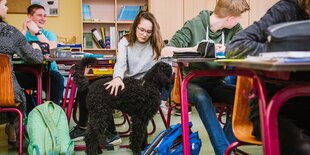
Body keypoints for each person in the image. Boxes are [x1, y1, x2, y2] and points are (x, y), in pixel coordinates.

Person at [161, 0, 250, 154]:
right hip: (191, 83)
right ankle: (223, 150)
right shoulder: (194, 25)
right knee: (202, 97)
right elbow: (165, 51)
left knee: (246, 98)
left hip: (217, 82)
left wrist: (229, 48)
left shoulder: (235, 29)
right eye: (238, 17)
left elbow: (247, 45)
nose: (239, 20)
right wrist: (194, 49)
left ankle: (225, 145)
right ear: (230, 18)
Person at [70, 11, 171, 145]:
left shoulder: (157, 44)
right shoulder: (125, 41)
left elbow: (167, 69)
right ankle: (98, 130)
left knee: (104, 94)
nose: (144, 34)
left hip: (144, 86)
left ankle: (108, 133)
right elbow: (121, 62)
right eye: (141, 30)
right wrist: (117, 77)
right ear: (135, 27)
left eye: (149, 31)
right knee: (90, 88)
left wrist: (167, 55)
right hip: (127, 80)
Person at [225, 0, 310, 154]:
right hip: (275, 109)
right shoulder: (286, 10)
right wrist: (282, 51)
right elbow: (235, 47)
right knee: (303, 149)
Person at [0, 0, 43, 145]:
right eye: (4, 4)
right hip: (5, 95)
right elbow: (36, 59)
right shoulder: (9, 32)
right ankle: (18, 127)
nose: (7, 8)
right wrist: (37, 48)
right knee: (17, 89)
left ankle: (11, 128)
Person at [16, 4, 64, 105]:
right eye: (39, 15)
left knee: (58, 79)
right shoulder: (23, 34)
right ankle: (31, 111)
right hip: (29, 74)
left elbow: (52, 50)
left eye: (45, 16)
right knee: (13, 80)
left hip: (48, 73)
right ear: (29, 16)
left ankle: (52, 113)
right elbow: (14, 47)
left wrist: (38, 32)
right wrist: (24, 30)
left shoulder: (49, 34)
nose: (43, 19)